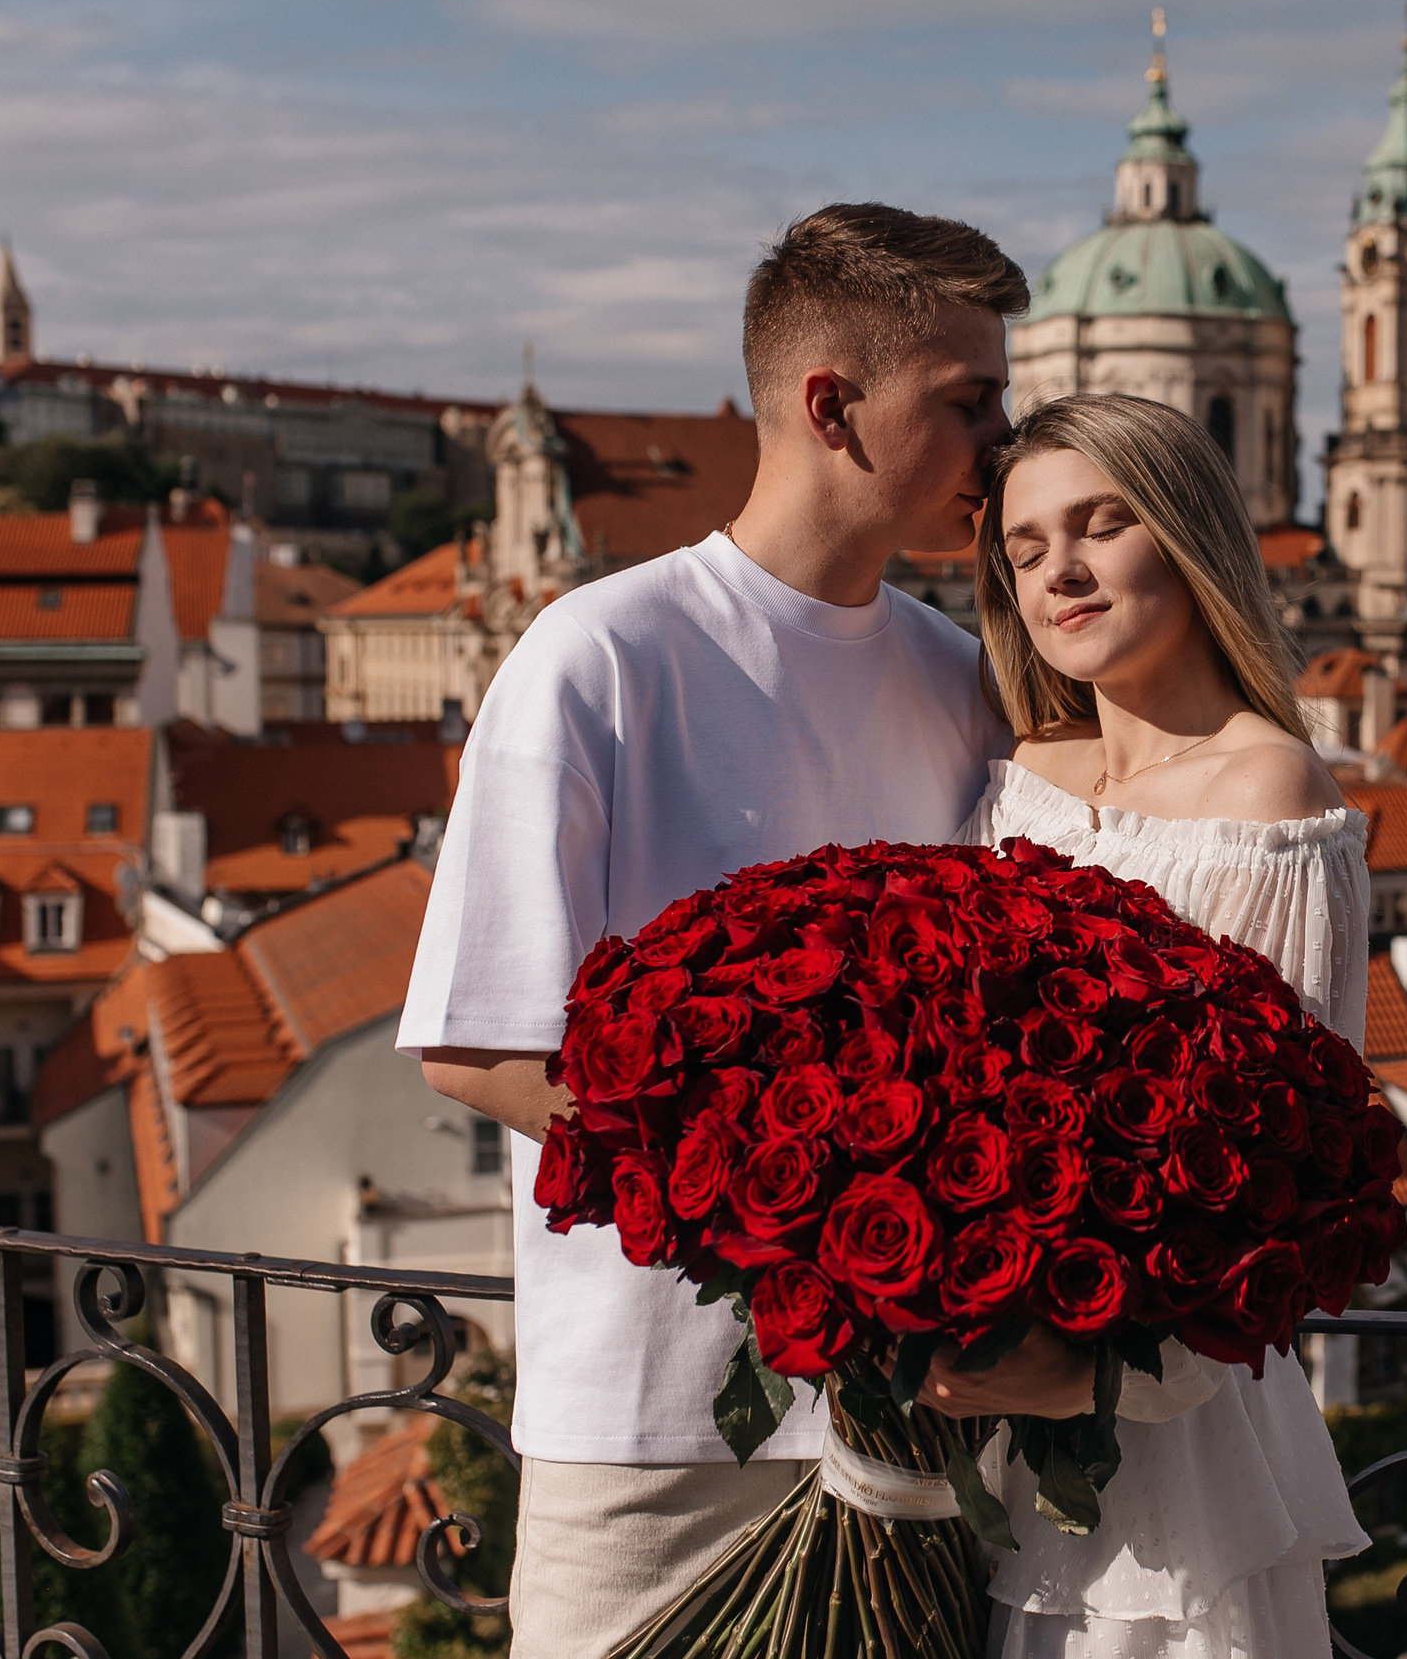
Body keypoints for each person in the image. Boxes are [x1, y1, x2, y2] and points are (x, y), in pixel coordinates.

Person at [400, 203, 1097, 1658]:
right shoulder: (599, 654)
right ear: (832, 407)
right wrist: (809, 1226)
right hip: (653, 1423)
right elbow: (477, 1044)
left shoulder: (963, 679)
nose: (1003, 441)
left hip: (917, 1424)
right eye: (969, 402)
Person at [943, 390, 1373, 1659]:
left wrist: (1090, 1374)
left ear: (1186, 533)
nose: (1059, 572)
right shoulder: (1020, 773)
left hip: (1165, 1428)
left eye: (1101, 524)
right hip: (972, 1402)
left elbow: (1287, 1171)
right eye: (1025, 548)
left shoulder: (1268, 788)